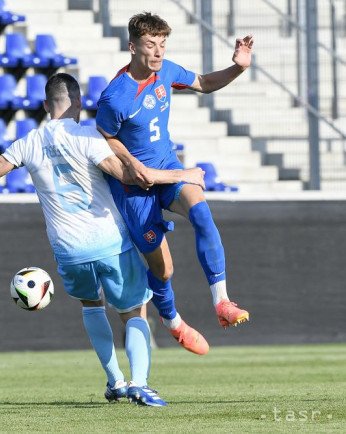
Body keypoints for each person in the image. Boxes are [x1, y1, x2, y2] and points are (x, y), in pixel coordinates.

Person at [0, 73, 206, 406]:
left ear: (45, 105)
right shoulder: (90, 136)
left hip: (68, 249)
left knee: (91, 306)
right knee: (133, 311)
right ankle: (139, 383)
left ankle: (115, 381)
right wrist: (178, 175)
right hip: (110, 239)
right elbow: (128, 175)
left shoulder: (29, 141)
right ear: (80, 104)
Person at [95, 12, 250, 355]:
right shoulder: (115, 96)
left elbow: (204, 83)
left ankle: (222, 301)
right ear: (132, 46)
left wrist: (238, 68)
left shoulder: (165, 71)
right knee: (164, 271)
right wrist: (130, 162)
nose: (158, 52)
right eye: (151, 45)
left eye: (163, 44)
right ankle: (170, 320)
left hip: (166, 167)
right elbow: (104, 136)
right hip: (133, 189)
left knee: (202, 214)